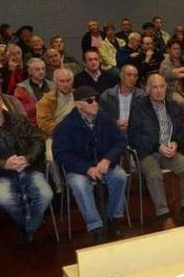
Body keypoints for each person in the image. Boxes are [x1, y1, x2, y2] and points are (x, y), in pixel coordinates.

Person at [0, 87, 53, 245]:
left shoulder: (18, 120)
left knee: (46, 195)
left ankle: (27, 227)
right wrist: (4, 164)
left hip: (27, 169)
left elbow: (38, 140)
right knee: (5, 199)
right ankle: (32, 226)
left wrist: (27, 158)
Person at [52, 86, 128, 243]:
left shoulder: (104, 118)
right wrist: (86, 169)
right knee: (80, 185)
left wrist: (108, 159)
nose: (95, 104)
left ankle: (113, 217)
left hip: (103, 163)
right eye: (90, 101)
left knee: (120, 176)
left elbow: (120, 141)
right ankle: (95, 226)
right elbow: (60, 154)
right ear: (78, 105)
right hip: (79, 168)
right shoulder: (65, 126)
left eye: (96, 100)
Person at [129, 74, 184, 230]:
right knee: (154, 175)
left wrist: (175, 142)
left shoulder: (173, 105)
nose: (159, 91)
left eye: (162, 86)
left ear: (166, 88)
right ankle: (164, 214)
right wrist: (157, 145)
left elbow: (181, 131)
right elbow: (133, 137)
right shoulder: (138, 107)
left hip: (168, 150)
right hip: (147, 152)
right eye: (155, 87)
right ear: (147, 90)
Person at [100, 64, 145, 137]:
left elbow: (147, 120)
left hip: (135, 135)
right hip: (113, 134)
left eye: (135, 76)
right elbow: (100, 118)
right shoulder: (107, 96)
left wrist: (133, 125)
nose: (132, 78)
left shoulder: (142, 96)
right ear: (121, 76)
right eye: (129, 75)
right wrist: (114, 123)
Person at [15, 58, 53, 124]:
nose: (41, 72)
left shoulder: (53, 86)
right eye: (37, 69)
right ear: (30, 71)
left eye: (43, 69)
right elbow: (23, 111)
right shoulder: (21, 89)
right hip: (33, 124)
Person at [159, 40, 184, 106]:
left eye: (179, 48)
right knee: (182, 102)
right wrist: (182, 74)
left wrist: (182, 69)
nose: (178, 51)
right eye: (175, 49)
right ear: (169, 50)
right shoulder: (165, 63)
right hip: (172, 91)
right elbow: (168, 74)